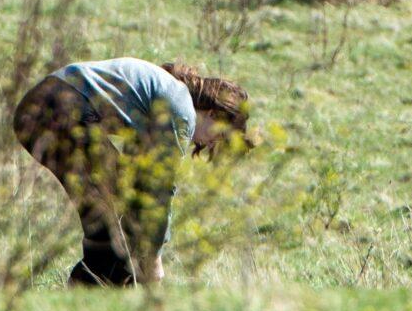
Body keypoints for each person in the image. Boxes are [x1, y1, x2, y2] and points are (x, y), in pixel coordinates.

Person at [13, 57, 250, 286]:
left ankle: (87, 297)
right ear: (212, 114)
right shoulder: (182, 110)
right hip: (58, 108)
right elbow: (158, 188)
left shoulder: (165, 102)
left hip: (36, 110)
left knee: (114, 231)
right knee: (115, 233)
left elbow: (138, 180)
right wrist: (154, 261)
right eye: (219, 135)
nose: (211, 144)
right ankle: (84, 299)